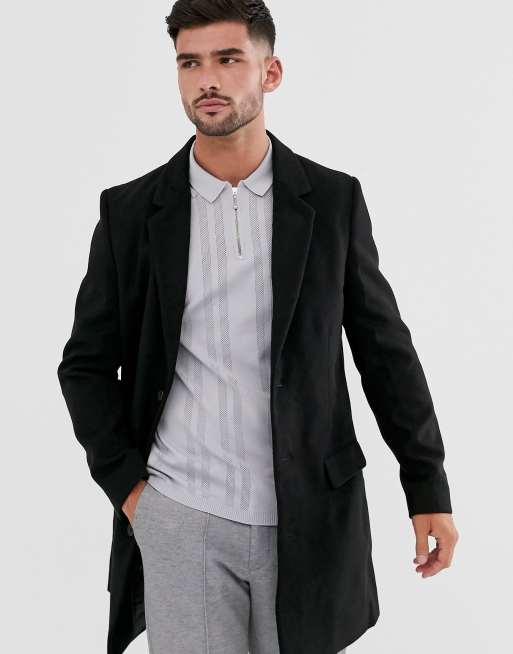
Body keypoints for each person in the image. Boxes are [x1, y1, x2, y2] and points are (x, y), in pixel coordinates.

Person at [57, 2, 459, 653]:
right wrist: (132, 491)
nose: (207, 80)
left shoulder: (331, 202)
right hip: (181, 515)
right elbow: (85, 365)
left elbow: (385, 354)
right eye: (190, 63)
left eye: (228, 59)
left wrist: (426, 484)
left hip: (306, 517)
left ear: (270, 72)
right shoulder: (131, 212)